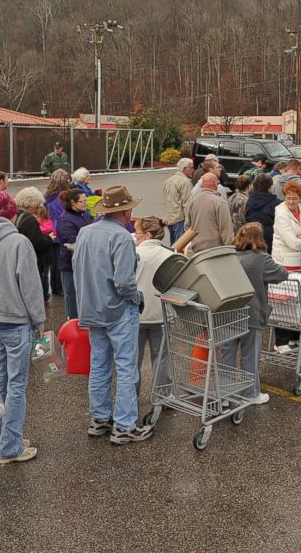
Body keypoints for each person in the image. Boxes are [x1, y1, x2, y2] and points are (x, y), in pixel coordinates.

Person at [73, 185, 153, 445]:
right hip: (118, 309)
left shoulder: (85, 233)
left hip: (92, 307)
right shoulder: (122, 237)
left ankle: (100, 418)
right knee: (126, 367)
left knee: (99, 364)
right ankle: (124, 425)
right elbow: (125, 282)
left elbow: (77, 269)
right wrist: (136, 299)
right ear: (126, 211)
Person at [0, 190, 45, 464]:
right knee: (16, 385)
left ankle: (0, 440)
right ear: (11, 213)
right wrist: (38, 320)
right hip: (16, 321)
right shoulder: (18, 242)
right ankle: (9, 446)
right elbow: (30, 286)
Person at [221, 223, 289, 404]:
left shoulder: (230, 255)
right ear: (259, 238)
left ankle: (225, 394)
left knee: (227, 352)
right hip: (251, 311)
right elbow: (282, 274)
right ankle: (250, 393)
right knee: (250, 354)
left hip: (227, 310)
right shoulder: (261, 258)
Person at [271, 180, 301, 352]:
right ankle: (280, 341)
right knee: (284, 303)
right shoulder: (281, 213)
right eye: (288, 198)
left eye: (295, 198)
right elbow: (292, 242)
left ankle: (295, 337)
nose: (291, 202)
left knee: (298, 302)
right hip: (285, 262)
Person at [134, 217, 176, 396]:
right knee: (162, 357)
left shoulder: (134, 254)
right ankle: (163, 395)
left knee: (132, 360)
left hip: (136, 314)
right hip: (162, 313)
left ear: (148, 234)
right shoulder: (171, 255)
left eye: (137, 233)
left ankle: (131, 394)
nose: (135, 237)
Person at [55, 188, 94, 319]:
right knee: (71, 296)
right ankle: (72, 323)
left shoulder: (85, 214)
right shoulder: (64, 220)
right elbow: (71, 240)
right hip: (69, 264)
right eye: (82, 201)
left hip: (85, 262)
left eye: (85, 201)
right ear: (73, 202)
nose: (85, 204)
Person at [13, 187, 53, 304]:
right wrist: (48, 238)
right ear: (31, 204)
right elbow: (38, 243)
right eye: (37, 205)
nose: (38, 208)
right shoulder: (29, 219)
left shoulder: (16, 215)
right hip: (30, 260)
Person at [185, 172, 234, 254]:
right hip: (215, 250)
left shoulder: (193, 201)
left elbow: (187, 225)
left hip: (196, 249)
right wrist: (230, 249)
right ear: (215, 184)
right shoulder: (219, 202)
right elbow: (225, 229)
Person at [44, 169, 73, 297]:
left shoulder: (47, 195)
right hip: (60, 228)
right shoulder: (63, 196)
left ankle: (54, 287)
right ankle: (60, 287)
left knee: (53, 261)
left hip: (50, 229)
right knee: (62, 259)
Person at [244, 173, 281, 252]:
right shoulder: (277, 204)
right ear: (270, 187)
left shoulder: (248, 201)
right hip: (269, 239)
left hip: (251, 237)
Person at [162, 158, 194, 243]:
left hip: (170, 218)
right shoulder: (185, 182)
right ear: (185, 169)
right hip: (180, 219)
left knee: (173, 245)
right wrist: (189, 223)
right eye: (191, 168)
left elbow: (165, 200)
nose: (193, 170)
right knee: (180, 246)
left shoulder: (168, 180)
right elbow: (187, 204)